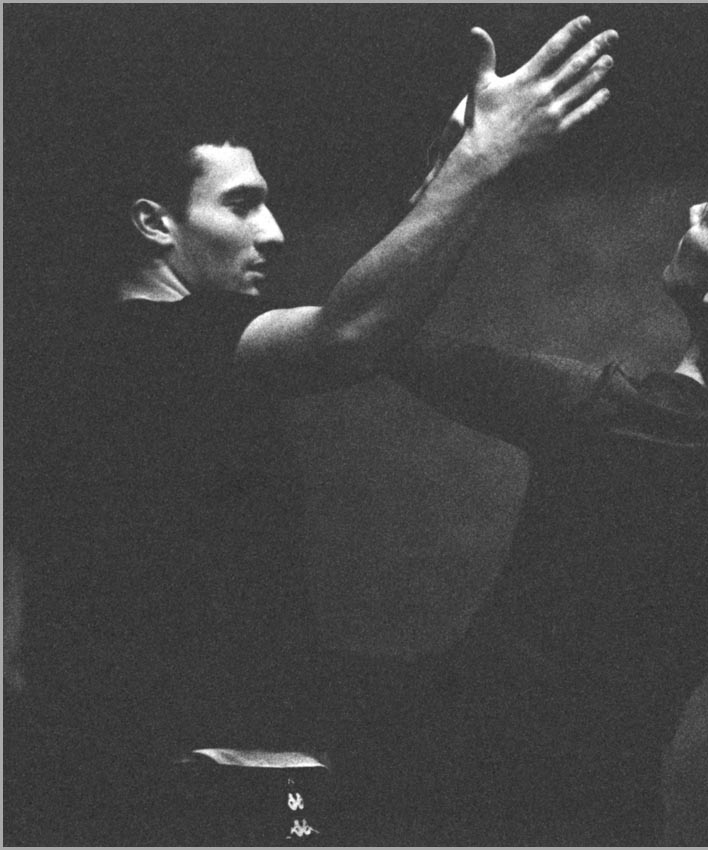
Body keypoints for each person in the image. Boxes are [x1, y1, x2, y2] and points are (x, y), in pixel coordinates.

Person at [4, 17, 616, 846]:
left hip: (194, 773)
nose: (274, 231)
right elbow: (349, 332)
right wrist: (482, 161)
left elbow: (367, 310)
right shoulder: (146, 345)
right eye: (241, 204)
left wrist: (446, 179)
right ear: (155, 224)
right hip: (186, 789)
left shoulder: (122, 356)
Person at [387, 164, 708, 845]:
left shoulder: (591, 411)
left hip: (447, 778)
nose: (694, 209)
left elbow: (375, 337)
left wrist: (458, 182)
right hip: (608, 812)